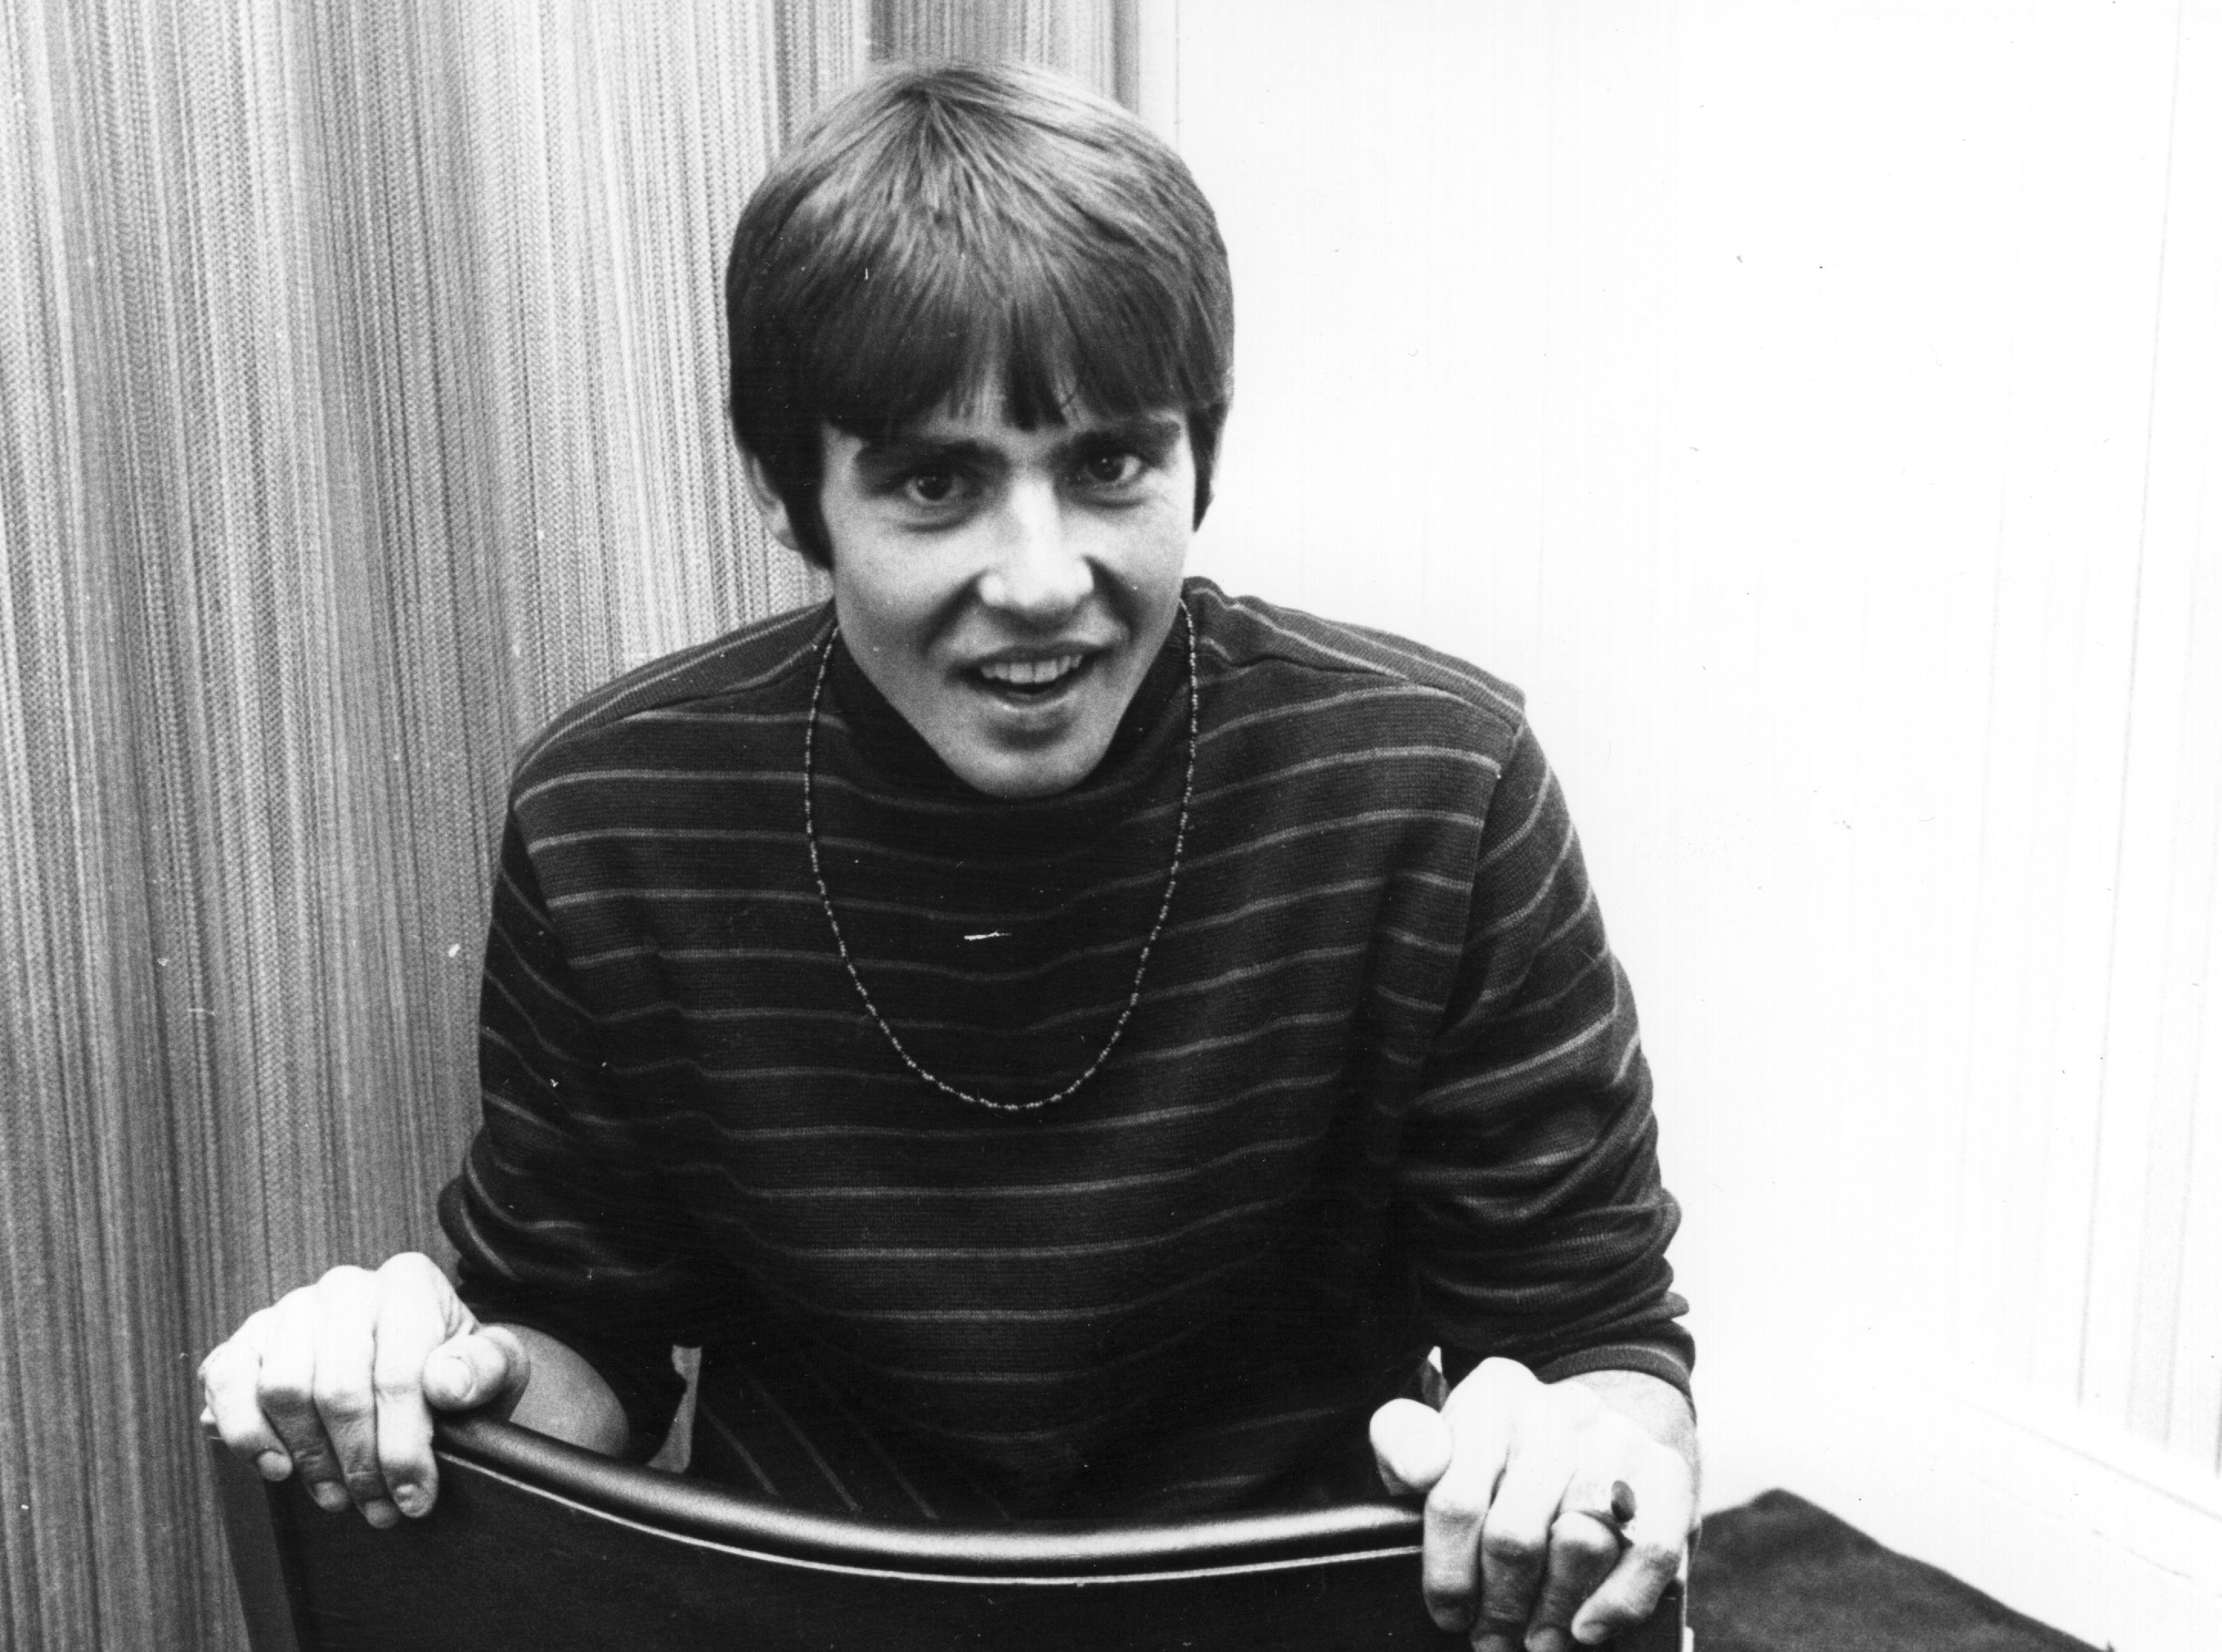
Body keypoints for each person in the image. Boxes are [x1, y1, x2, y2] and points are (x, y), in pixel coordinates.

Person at [202, 61, 1697, 1650]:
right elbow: (582, 1348)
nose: (1041, 580)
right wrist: (425, 1378)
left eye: (1109, 463)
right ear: (792, 495)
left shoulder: (1440, 789)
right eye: (936, 480)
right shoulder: (613, 815)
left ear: (1199, 456)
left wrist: (1584, 1447)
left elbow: (1601, 1341)